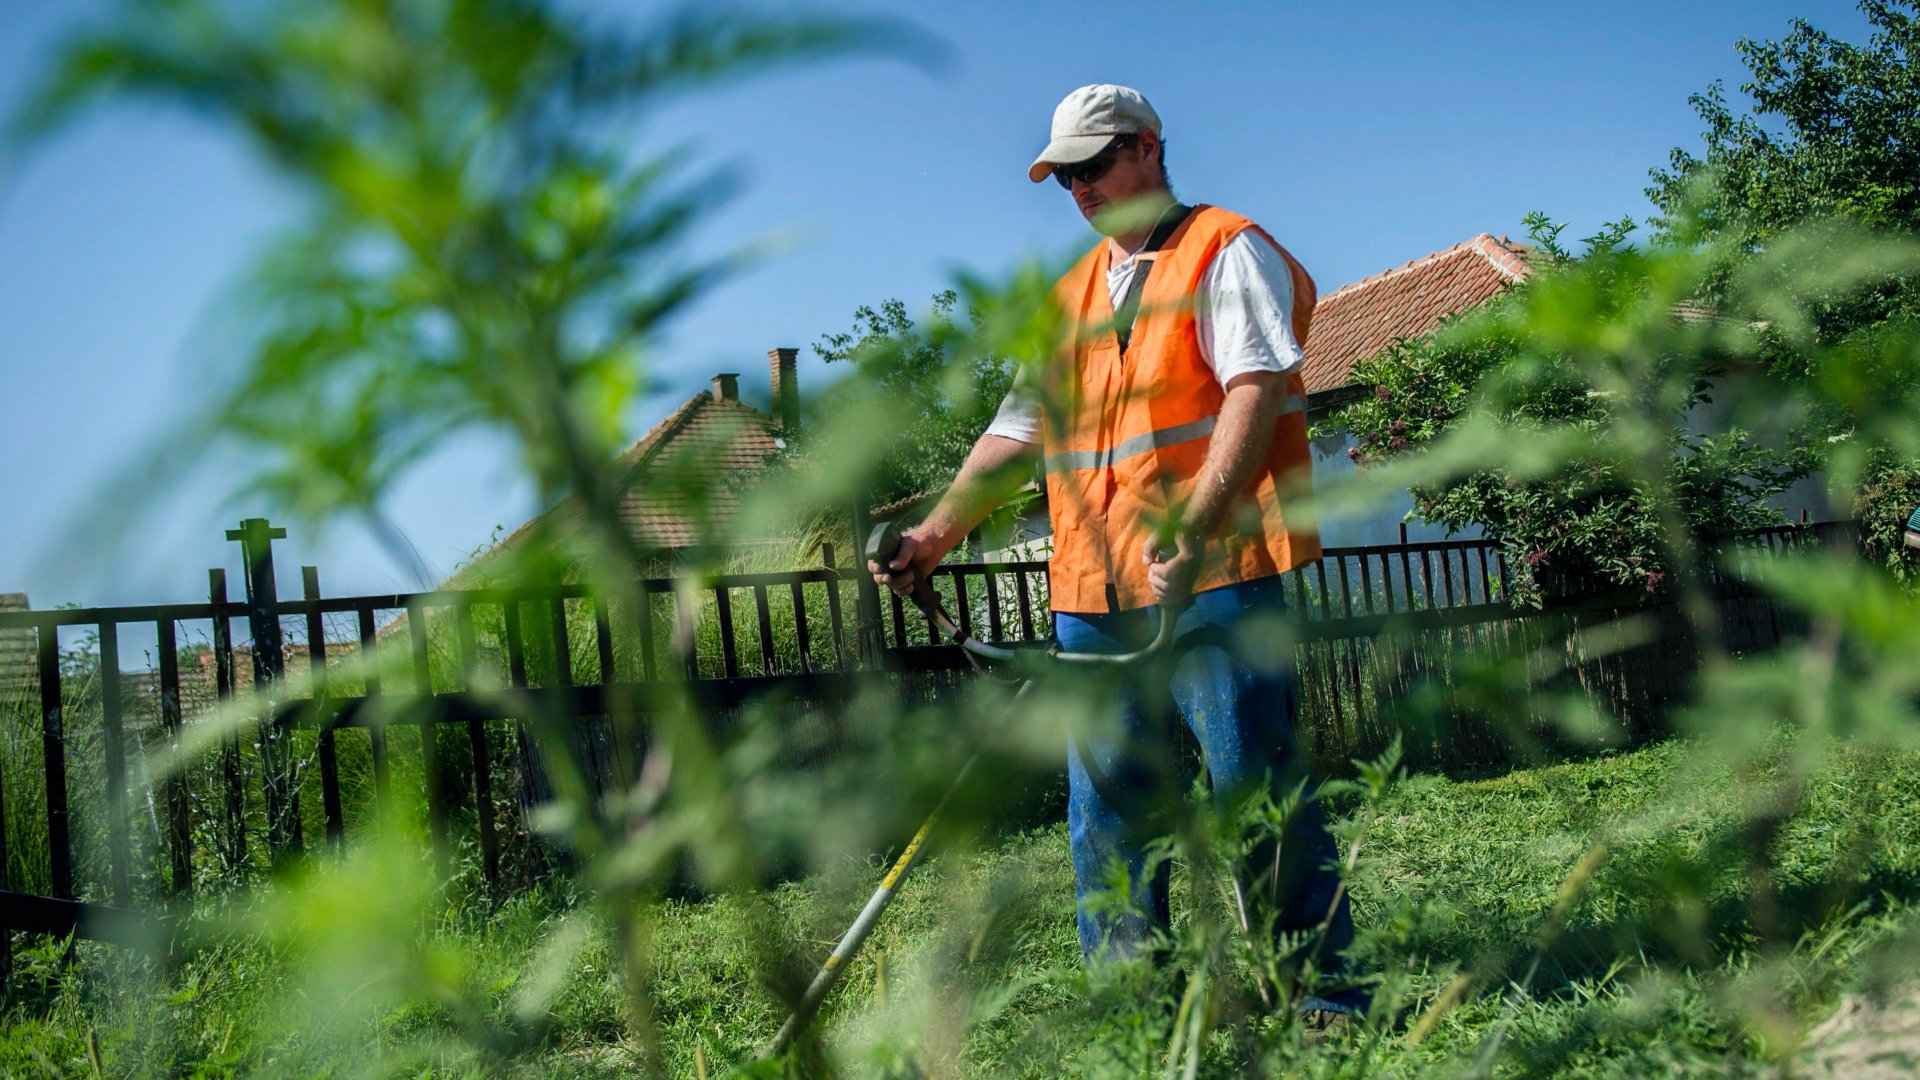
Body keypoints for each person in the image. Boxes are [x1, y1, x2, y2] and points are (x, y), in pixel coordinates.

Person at [869, 84, 1364, 1013]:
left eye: (1093, 166)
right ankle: (1138, 1011)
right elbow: (1015, 434)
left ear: (1147, 147)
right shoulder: (1067, 299)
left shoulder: (1225, 247)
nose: (1081, 189)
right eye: (1064, 177)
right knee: (1104, 812)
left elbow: (1254, 390)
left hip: (1214, 574)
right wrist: (936, 535)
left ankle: (1322, 1000)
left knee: (1253, 788)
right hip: (1092, 589)